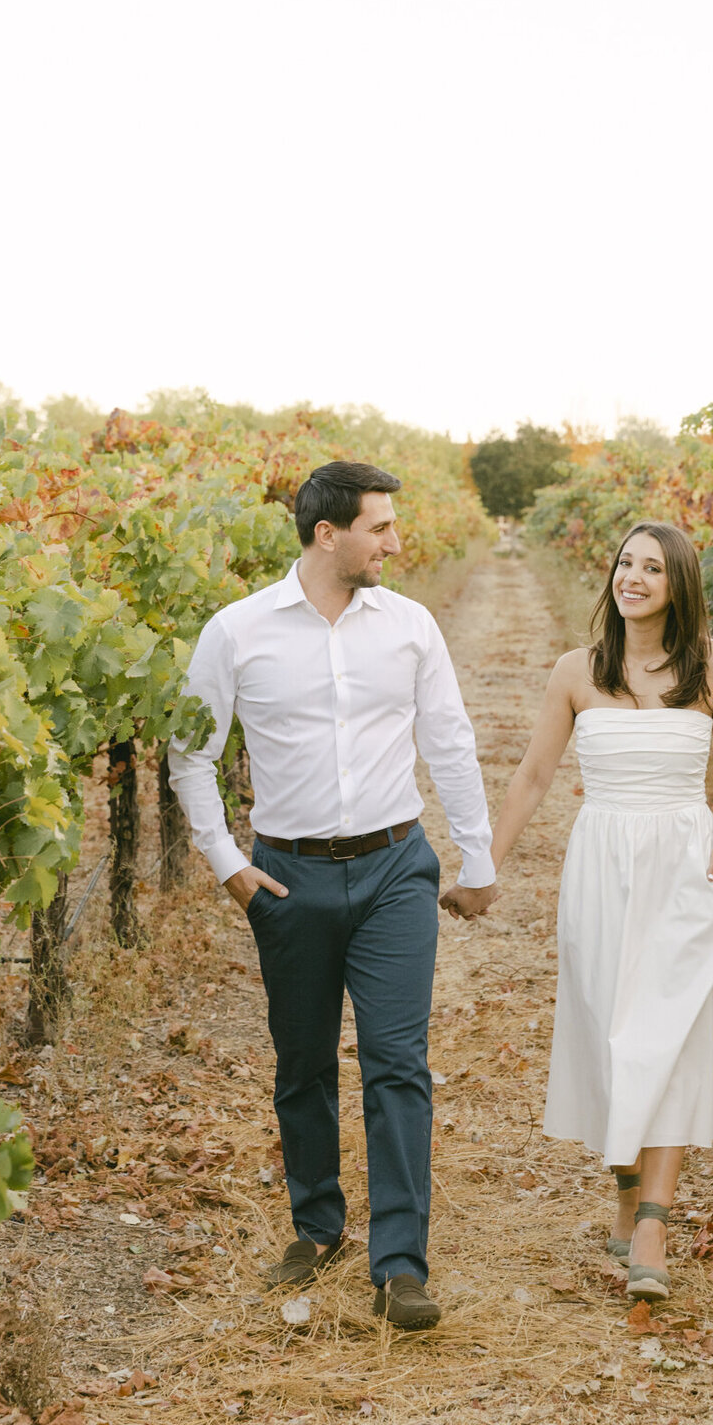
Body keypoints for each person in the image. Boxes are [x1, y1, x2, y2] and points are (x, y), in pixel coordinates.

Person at [168, 460, 497, 1330]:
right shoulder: (236, 633)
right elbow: (190, 753)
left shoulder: (411, 627)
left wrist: (477, 854)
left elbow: (451, 741)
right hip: (290, 877)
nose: (396, 541)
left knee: (397, 1065)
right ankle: (317, 1226)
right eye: (380, 527)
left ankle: (400, 1266)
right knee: (303, 1061)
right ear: (329, 535)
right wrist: (228, 866)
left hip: (396, 868)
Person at [488, 521, 713, 1301]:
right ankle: (627, 1189)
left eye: (653, 569)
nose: (632, 577)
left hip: (686, 863)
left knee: (669, 1036)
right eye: (625, 563)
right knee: (610, 1036)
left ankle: (654, 1224)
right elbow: (534, 775)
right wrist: (485, 864)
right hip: (600, 865)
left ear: (679, 586)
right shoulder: (576, 671)